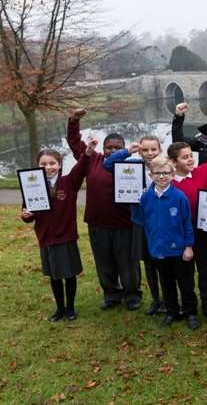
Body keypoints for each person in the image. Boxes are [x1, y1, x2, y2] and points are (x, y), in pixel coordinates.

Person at [66, 109, 141, 311]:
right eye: (109, 147)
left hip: (125, 223)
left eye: (117, 147)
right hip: (98, 223)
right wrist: (74, 121)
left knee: (128, 263)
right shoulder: (93, 159)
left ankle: (132, 295)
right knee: (104, 263)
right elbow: (74, 143)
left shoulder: (133, 167)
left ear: (125, 148)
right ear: (104, 148)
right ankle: (111, 295)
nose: (113, 150)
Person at [21, 141, 96, 321]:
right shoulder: (32, 185)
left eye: (52, 163)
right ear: (37, 166)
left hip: (65, 236)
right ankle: (59, 309)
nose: (48, 167)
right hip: (46, 237)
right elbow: (28, 213)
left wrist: (86, 153)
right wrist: (25, 215)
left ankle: (70, 308)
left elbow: (81, 168)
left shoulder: (69, 182)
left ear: (60, 164)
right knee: (54, 276)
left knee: (68, 275)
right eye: (44, 164)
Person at [103, 135, 165, 316]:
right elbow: (107, 165)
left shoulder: (166, 167)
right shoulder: (131, 165)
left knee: (163, 263)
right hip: (140, 222)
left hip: (161, 224)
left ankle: (168, 300)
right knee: (148, 263)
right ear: (139, 151)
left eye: (154, 149)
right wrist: (126, 151)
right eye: (145, 150)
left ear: (160, 149)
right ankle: (156, 300)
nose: (150, 153)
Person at [167, 126, 207, 318]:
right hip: (181, 231)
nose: (190, 159)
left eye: (190, 155)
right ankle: (189, 303)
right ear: (174, 162)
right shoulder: (169, 182)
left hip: (203, 228)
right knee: (186, 271)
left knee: (205, 268)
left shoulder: (201, 172)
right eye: (185, 157)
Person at [139, 156, 199, 330]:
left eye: (165, 173)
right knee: (166, 283)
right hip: (158, 249)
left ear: (172, 174)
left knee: (186, 283)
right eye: (157, 173)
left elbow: (187, 223)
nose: (162, 177)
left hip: (179, 250)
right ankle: (172, 312)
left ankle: (190, 312)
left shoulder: (179, 197)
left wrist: (188, 246)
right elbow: (144, 221)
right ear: (151, 175)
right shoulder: (146, 198)